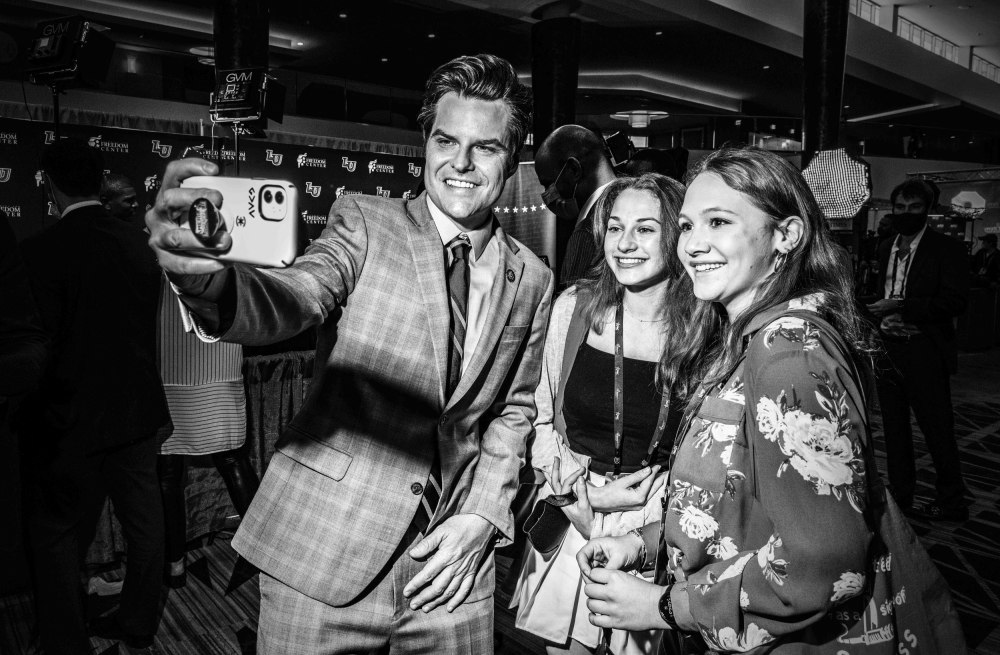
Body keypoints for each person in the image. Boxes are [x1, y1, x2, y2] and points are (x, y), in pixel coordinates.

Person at [145, 53, 553, 653]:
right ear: (425, 141)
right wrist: (210, 283)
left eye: (485, 147)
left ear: (512, 157)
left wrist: (484, 514)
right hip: (324, 548)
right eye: (446, 140)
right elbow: (298, 294)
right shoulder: (365, 220)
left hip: (452, 570)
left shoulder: (534, 278)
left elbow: (513, 412)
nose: (460, 163)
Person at [576, 145, 878, 653]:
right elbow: (735, 507)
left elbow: (822, 564)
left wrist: (665, 606)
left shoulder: (787, 352)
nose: (693, 245)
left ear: (786, 235)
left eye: (719, 222)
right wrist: (644, 541)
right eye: (689, 226)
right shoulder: (746, 338)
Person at [512, 174, 686, 655]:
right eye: (615, 228)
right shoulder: (575, 308)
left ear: (676, 234)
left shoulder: (705, 325)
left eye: (646, 229)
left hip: (662, 521)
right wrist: (575, 492)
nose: (625, 244)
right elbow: (536, 413)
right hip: (574, 505)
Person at [16, 138, 168, 652]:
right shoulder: (141, 247)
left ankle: (65, 641)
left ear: (49, 183)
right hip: (134, 414)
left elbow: (36, 346)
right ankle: (139, 624)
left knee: (58, 537)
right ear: (100, 178)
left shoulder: (37, 252)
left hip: (66, 418)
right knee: (146, 530)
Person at [867, 178, 970, 521]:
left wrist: (901, 305)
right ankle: (902, 494)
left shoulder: (947, 249)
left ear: (927, 210)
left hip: (926, 350)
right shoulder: (885, 247)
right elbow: (878, 293)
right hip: (890, 349)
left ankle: (953, 501)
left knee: (937, 429)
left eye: (914, 208)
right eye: (900, 208)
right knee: (894, 430)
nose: (906, 214)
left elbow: (955, 302)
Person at [155, 272, 260, 588]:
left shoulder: (152, 239)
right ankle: (262, 554)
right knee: (231, 461)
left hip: (167, 357)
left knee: (168, 473)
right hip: (215, 355)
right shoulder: (225, 236)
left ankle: (175, 567)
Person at [536, 124, 617, 289]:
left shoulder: (588, 232)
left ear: (573, 170)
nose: (547, 193)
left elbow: (571, 309)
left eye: (548, 183)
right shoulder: (636, 209)